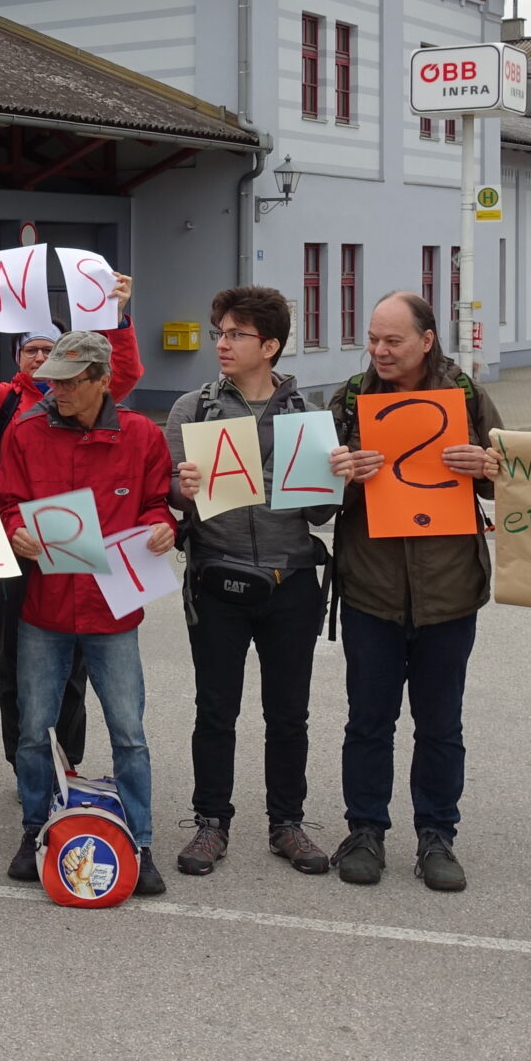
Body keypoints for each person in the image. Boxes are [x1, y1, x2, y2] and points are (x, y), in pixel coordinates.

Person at [324, 291, 504, 892]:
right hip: (370, 590)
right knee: (368, 720)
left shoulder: (468, 399)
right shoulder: (349, 401)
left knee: (440, 724)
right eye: (373, 339)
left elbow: (513, 488)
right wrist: (343, 477)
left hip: (449, 591)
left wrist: (487, 468)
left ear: (427, 340)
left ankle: (436, 835)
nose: (379, 351)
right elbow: (313, 502)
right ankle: (365, 830)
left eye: (392, 340)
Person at [0, 265, 147, 775]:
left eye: (49, 351)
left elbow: (124, 371)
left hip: (80, 554)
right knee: (17, 663)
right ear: (20, 357)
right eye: (31, 349)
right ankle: (24, 759)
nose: (40, 358)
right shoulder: (6, 400)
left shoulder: (86, 397)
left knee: (74, 670)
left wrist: (119, 317)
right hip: (17, 552)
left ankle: (67, 758)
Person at [165, 285, 338, 878]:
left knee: (288, 714)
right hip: (218, 579)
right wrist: (178, 491)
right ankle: (210, 822)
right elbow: (168, 499)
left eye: (235, 334)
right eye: (219, 332)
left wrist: (335, 477)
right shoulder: (194, 408)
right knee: (215, 709)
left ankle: (287, 822)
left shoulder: (308, 414)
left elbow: (319, 515)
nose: (221, 343)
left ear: (269, 345)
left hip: (290, 583)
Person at [0, 330, 177, 895]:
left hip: (113, 609)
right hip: (45, 607)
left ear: (103, 381)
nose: (58, 389)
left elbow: (155, 500)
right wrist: (14, 531)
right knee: (32, 730)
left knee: (129, 732)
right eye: (53, 378)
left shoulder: (142, 435)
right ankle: (35, 831)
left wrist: (163, 526)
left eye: (72, 380)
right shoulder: (25, 431)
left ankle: (141, 844)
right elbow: (6, 501)